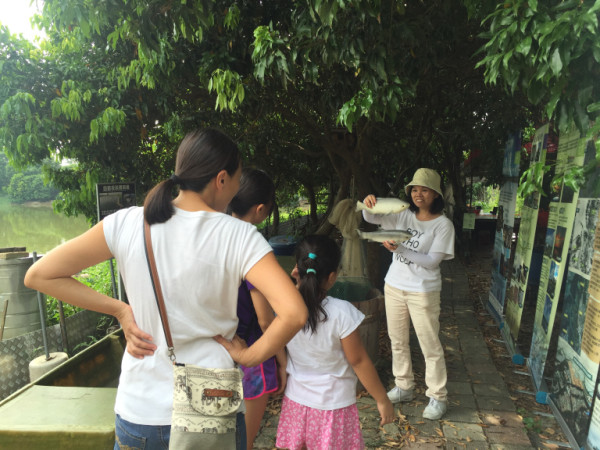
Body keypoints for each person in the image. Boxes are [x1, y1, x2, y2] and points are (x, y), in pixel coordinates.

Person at [24, 128, 308, 449]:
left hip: (139, 410)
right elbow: (294, 313)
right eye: (238, 180)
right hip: (211, 402)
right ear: (221, 179)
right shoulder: (238, 235)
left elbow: (40, 275)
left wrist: (121, 310)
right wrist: (249, 355)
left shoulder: (127, 223)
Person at [274, 234, 394, 449]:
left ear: (296, 270)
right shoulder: (342, 312)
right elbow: (358, 361)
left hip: (296, 401)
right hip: (333, 407)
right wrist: (382, 400)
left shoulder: (285, 309)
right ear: (332, 277)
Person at [362, 168, 455, 420]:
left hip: (423, 291)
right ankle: (404, 386)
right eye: (414, 189)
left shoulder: (443, 225)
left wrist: (399, 248)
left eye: (424, 189)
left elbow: (432, 261)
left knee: (429, 344)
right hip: (394, 286)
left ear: (435, 194)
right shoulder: (403, 215)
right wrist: (368, 204)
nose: (418, 194)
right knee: (397, 339)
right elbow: (371, 219)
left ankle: (437, 396)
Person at [227, 168, 287, 450]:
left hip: (214, 348)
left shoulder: (214, 233)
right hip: (250, 349)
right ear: (261, 209)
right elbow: (265, 319)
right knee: (244, 442)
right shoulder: (251, 243)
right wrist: (282, 359)